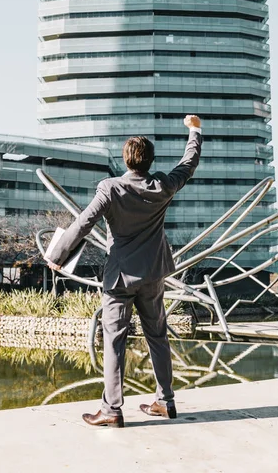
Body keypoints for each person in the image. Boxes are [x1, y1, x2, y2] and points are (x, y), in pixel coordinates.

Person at [45, 114, 202, 428]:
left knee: (114, 341)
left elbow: (84, 223)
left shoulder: (110, 188)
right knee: (157, 337)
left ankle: (112, 410)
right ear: (150, 160)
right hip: (153, 274)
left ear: (126, 160)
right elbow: (189, 162)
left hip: (119, 277)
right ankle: (165, 401)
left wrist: (58, 255)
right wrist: (194, 130)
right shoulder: (164, 185)